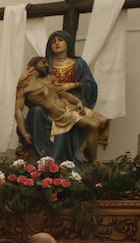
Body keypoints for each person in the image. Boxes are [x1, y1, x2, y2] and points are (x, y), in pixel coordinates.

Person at [21, 31, 102, 164]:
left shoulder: (79, 63)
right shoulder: (45, 65)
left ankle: (89, 156)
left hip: (72, 102)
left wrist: (72, 85)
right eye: (53, 41)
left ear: (68, 43)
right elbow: (31, 87)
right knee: (37, 112)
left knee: (99, 122)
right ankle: (44, 154)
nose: (57, 43)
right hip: (51, 106)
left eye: (60, 40)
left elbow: (90, 85)